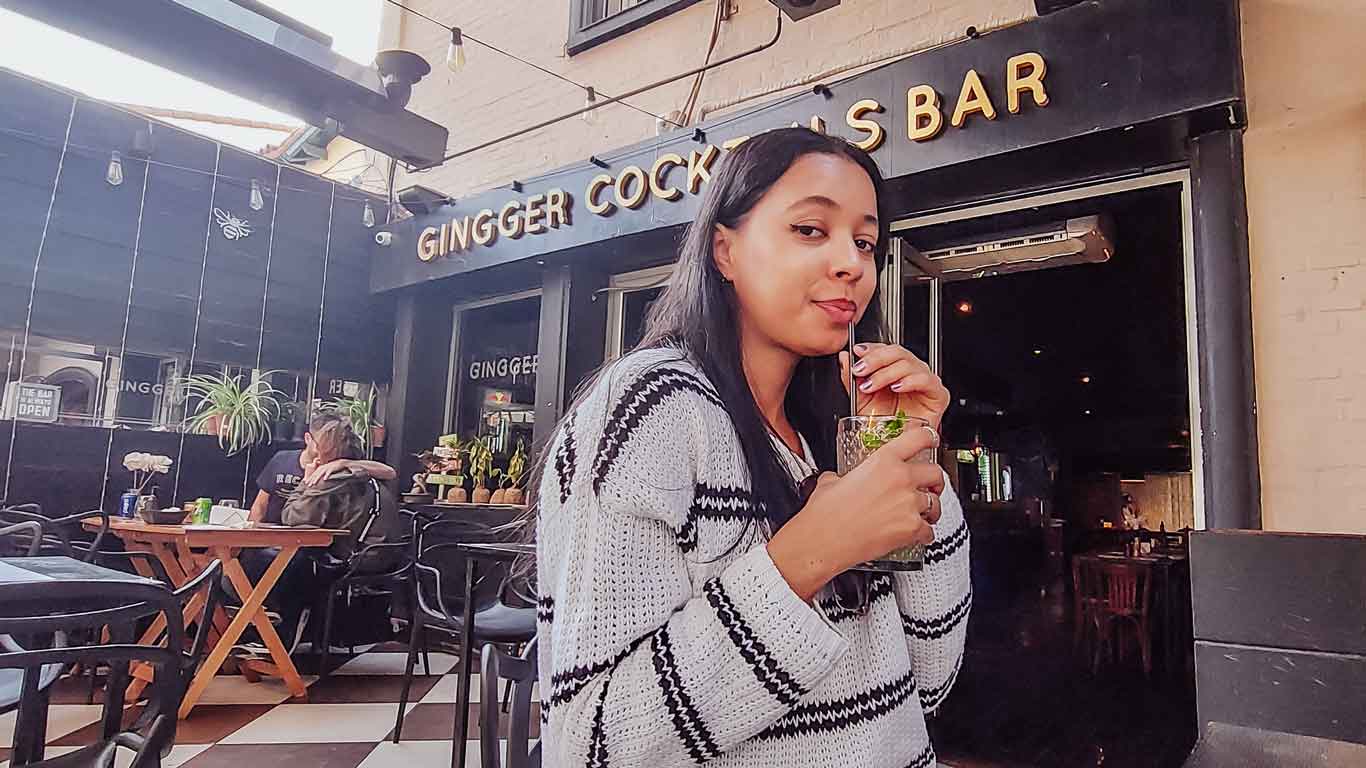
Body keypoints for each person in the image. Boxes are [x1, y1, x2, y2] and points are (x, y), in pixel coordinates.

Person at [533, 127, 971, 768]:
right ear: (724, 252)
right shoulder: (650, 408)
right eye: (811, 230)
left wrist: (909, 458)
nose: (852, 262)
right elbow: (589, 745)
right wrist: (810, 554)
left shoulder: (832, 433)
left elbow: (928, 682)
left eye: (866, 241)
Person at [241, 413, 396, 653]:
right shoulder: (363, 473)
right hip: (374, 556)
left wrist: (306, 481)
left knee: (260, 561)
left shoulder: (330, 478)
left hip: (346, 560)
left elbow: (294, 518)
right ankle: (269, 625)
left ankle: (277, 632)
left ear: (319, 445)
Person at [249, 412, 396, 524]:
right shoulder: (282, 459)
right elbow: (260, 506)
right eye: (325, 441)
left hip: (306, 541)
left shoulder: (334, 471)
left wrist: (344, 463)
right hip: (270, 535)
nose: (329, 447)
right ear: (308, 439)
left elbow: (389, 472)